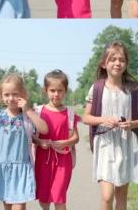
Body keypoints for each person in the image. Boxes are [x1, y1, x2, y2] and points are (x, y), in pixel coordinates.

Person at [83, 41, 138, 210]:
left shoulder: (133, 89)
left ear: (126, 64)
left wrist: (131, 123)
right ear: (104, 63)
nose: (117, 63)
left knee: (121, 194)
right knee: (107, 195)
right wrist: (103, 119)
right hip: (105, 145)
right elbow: (86, 118)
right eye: (113, 59)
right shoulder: (96, 88)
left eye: (121, 59)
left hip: (126, 144)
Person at [0, 74, 49, 210]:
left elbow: (44, 129)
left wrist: (27, 109)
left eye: (15, 94)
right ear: (1, 95)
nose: (10, 98)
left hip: (21, 167)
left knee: (19, 207)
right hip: (2, 167)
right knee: (8, 207)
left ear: (23, 94)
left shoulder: (27, 115)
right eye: (6, 94)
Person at [33, 70, 81, 210]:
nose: (56, 94)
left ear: (66, 91)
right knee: (44, 199)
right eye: (52, 90)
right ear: (45, 90)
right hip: (42, 160)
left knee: (59, 198)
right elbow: (31, 135)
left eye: (60, 90)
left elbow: (76, 138)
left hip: (63, 161)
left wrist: (64, 143)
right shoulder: (38, 111)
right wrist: (40, 142)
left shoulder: (69, 113)